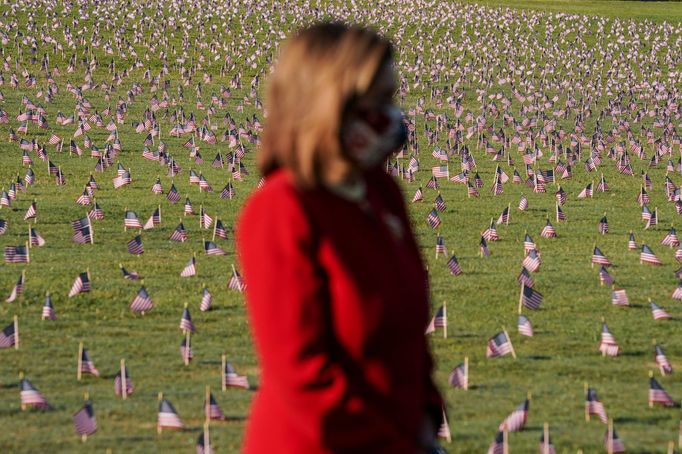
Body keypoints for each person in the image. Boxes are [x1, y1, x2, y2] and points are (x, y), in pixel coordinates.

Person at [236, 22, 443, 453]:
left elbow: (407, 335)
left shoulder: (382, 192)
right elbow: (303, 376)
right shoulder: (282, 210)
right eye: (379, 101)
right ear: (331, 105)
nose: (393, 115)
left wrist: (425, 415)